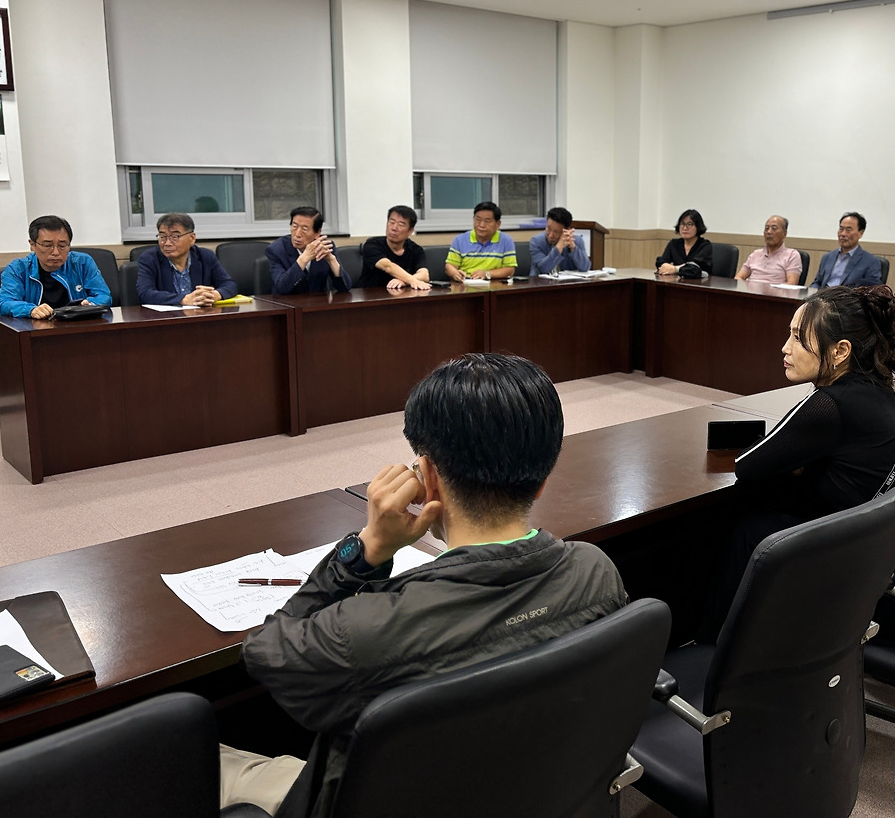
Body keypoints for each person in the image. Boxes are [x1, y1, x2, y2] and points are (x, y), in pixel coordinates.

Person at [223, 354, 628, 817]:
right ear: (541, 481)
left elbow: (263, 651)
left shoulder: (364, 632)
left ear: (428, 479)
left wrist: (369, 547)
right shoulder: (597, 573)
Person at [701, 285, 895, 639]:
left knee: (749, 531)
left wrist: (796, 458)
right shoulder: (875, 387)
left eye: (799, 339)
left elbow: (748, 465)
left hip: (879, 588)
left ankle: (714, 646)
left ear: (840, 351)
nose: (785, 348)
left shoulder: (829, 404)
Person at [0, 215, 112, 318]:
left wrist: (90, 305)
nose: (55, 252)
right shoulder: (17, 269)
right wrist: (30, 310)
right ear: (32, 245)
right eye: (47, 245)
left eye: (62, 246)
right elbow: (4, 304)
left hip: (77, 327)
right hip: (36, 330)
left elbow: (103, 295)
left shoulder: (82, 263)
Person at [136, 212, 237, 306]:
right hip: (166, 317)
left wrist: (215, 295)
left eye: (174, 237)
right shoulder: (149, 259)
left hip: (200, 315)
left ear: (192, 238)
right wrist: (183, 299)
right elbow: (145, 294)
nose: (167, 243)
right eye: (162, 237)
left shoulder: (205, 256)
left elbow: (229, 285)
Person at [266, 207, 351, 295]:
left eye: (304, 229)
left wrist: (331, 260)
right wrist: (303, 259)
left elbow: (345, 287)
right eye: (294, 226)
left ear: (317, 233)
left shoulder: (325, 247)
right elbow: (282, 287)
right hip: (286, 303)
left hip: (318, 302)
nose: (297, 234)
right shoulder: (276, 250)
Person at [356, 205, 430, 291]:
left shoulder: (416, 249)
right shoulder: (372, 244)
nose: (394, 228)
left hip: (403, 295)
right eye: (391, 222)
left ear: (410, 231)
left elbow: (425, 275)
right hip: (371, 295)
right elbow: (388, 266)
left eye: (401, 224)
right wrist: (412, 281)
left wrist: (404, 281)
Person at [445, 201, 517, 281]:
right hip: (466, 282)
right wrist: (455, 273)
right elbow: (449, 266)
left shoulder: (506, 240)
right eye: (478, 220)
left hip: (493, 283)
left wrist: (487, 274)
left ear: (498, 224)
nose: (481, 225)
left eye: (487, 221)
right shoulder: (460, 240)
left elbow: (510, 270)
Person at [810, 212, 882, 289]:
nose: (843, 234)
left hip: (848, 296)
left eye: (848, 230)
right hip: (823, 295)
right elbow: (817, 282)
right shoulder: (827, 257)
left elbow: (871, 290)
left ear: (861, 233)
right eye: (841, 229)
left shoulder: (871, 261)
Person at [735, 214, 802, 284]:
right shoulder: (755, 254)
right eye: (766, 228)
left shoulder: (792, 255)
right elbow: (738, 277)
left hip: (775, 291)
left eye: (774, 228)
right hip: (751, 290)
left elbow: (791, 284)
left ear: (784, 233)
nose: (769, 232)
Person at [529, 206, 590, 275]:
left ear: (567, 230)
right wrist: (559, 247)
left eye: (556, 232)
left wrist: (573, 248)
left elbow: (585, 268)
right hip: (541, 281)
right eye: (548, 228)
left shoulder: (576, 241)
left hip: (568, 281)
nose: (551, 235)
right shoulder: (536, 241)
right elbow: (544, 268)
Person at [655, 208, 713, 276]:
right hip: (677, 281)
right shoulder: (674, 244)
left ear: (698, 227)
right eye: (682, 224)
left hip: (699, 281)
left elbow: (694, 268)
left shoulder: (705, 245)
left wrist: (675, 269)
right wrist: (664, 266)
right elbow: (661, 261)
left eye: (690, 224)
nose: (685, 228)